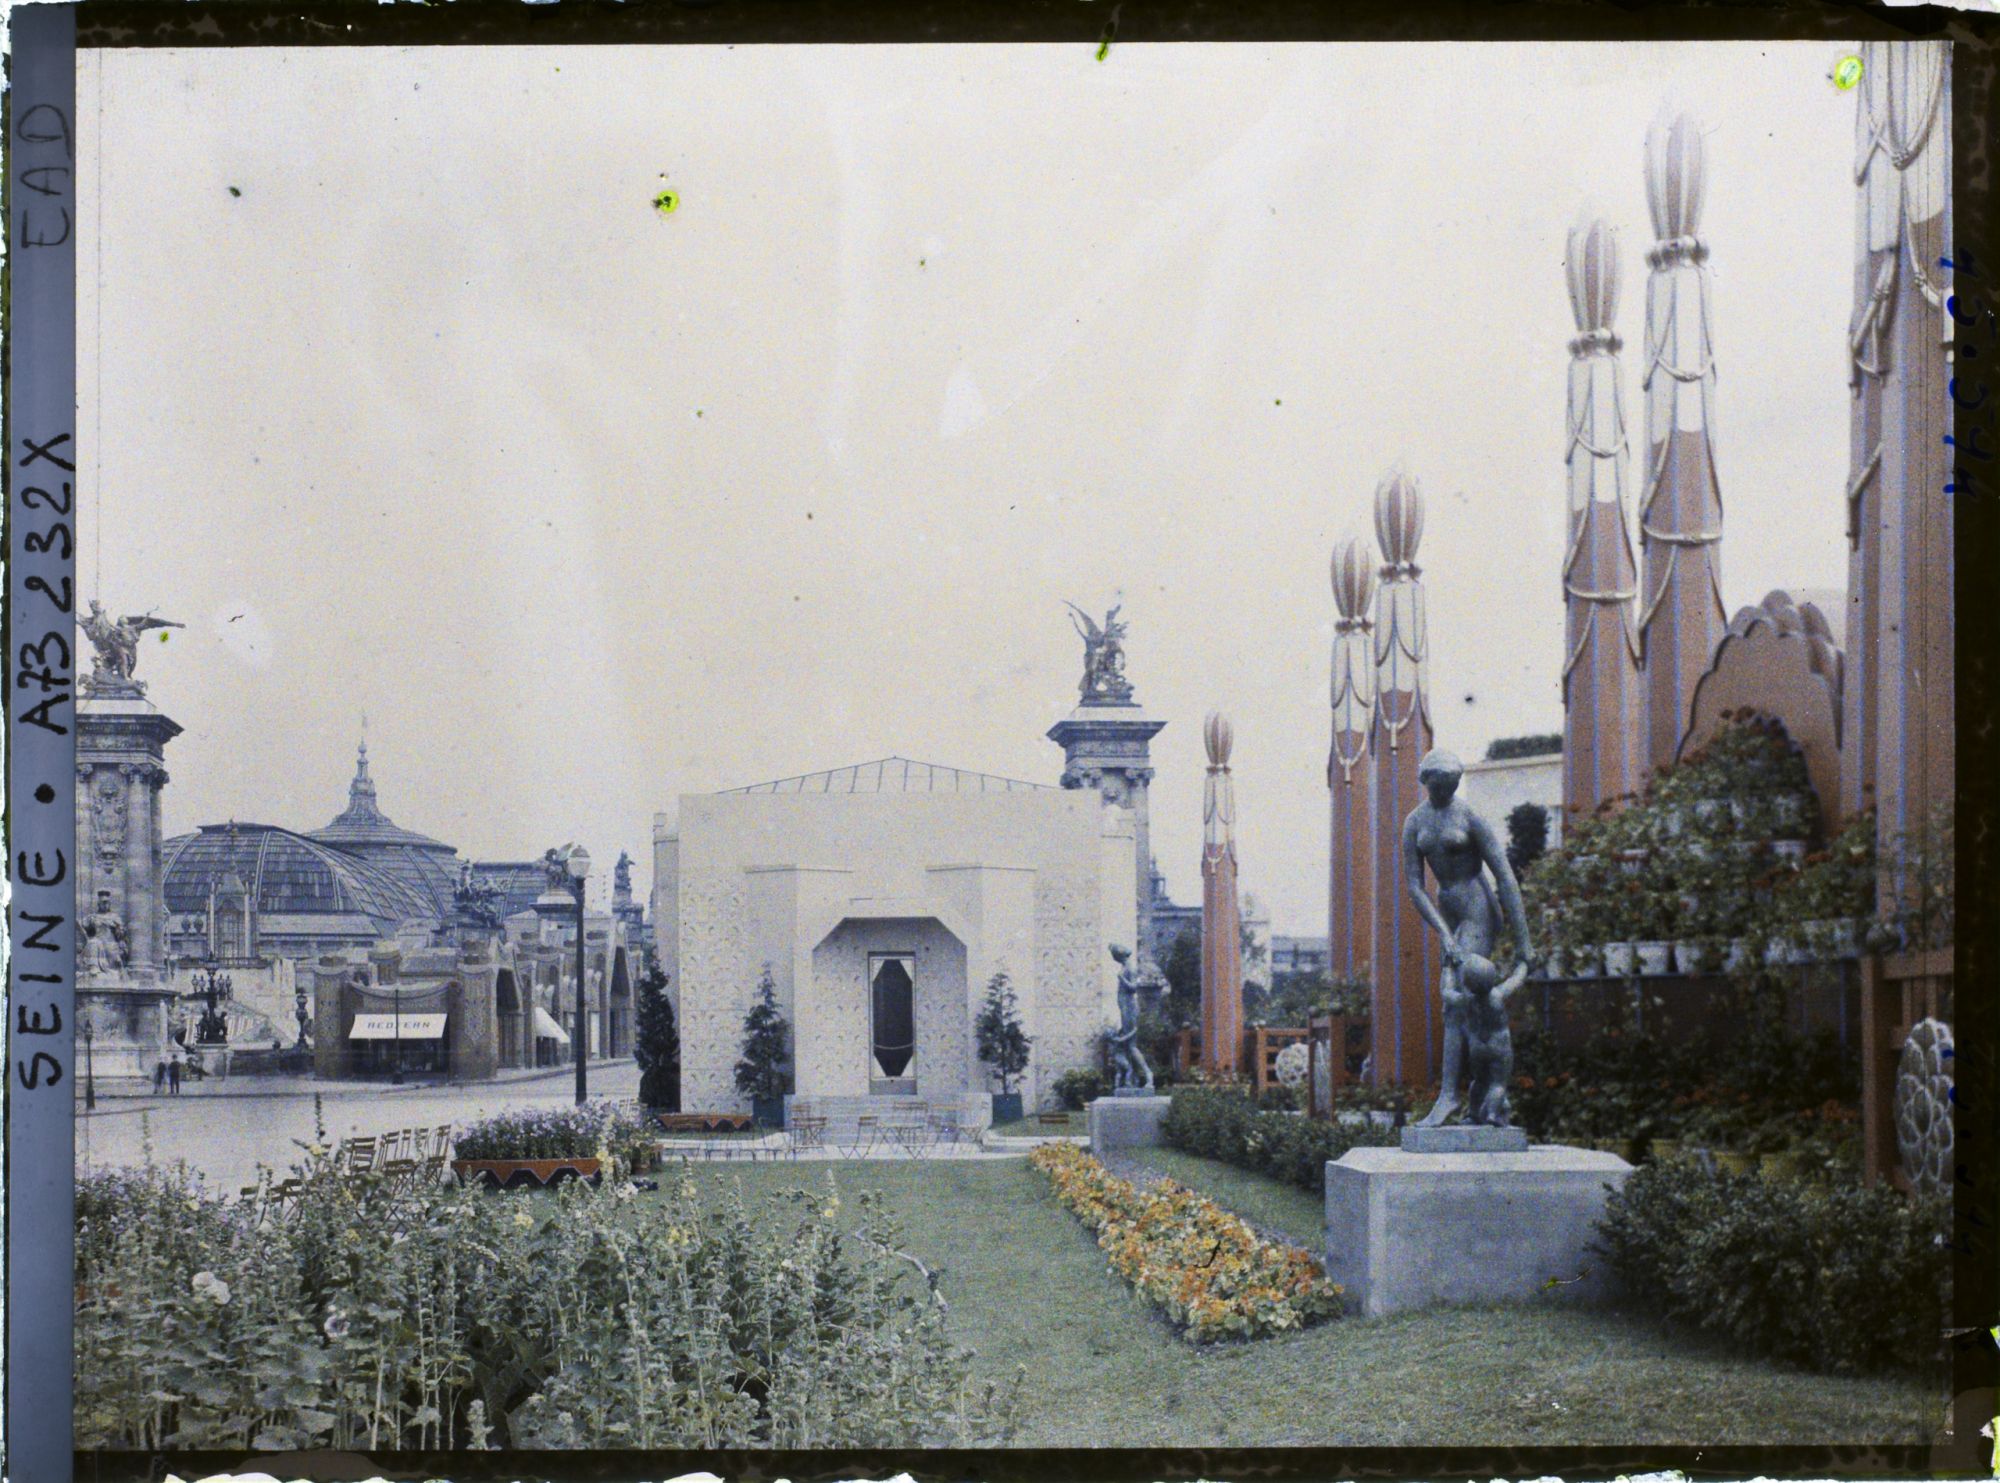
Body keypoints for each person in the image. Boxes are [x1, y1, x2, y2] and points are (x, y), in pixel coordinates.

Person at [1400, 747, 1533, 1128]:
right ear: (1426, 782)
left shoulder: (1469, 816)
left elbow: (1505, 876)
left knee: (1455, 1004)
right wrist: (1443, 933)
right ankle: (1472, 1097)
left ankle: (1449, 1098)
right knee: (1455, 1003)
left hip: (1477, 909)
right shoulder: (1415, 822)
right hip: (1450, 913)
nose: (1444, 794)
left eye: (1451, 787)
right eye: (1438, 787)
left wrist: (1524, 940)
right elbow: (1414, 885)